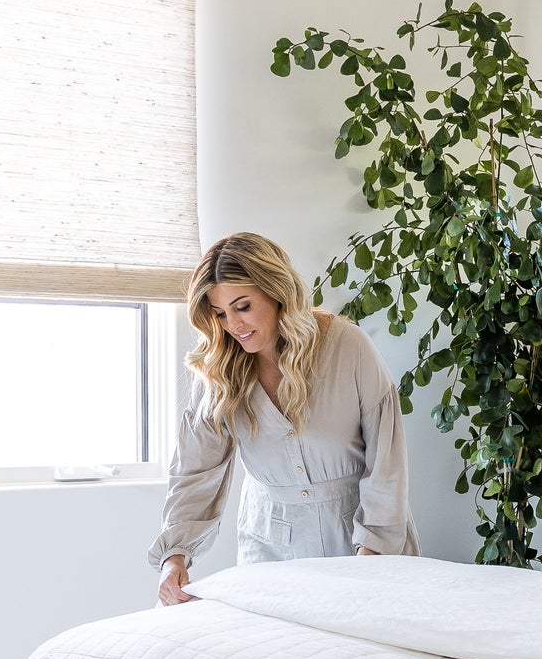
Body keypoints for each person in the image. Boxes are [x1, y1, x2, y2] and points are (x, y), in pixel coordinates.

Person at [151, 232, 418, 605]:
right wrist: (174, 555)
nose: (234, 325)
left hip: (361, 542)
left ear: (276, 291)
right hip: (267, 549)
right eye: (220, 313)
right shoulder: (219, 370)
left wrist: (370, 558)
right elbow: (195, 472)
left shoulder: (349, 348)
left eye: (243, 306)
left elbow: (386, 464)